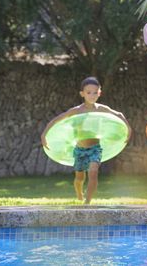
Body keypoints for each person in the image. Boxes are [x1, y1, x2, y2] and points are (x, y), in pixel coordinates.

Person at [40, 76, 132, 204]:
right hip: (80, 150)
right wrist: (44, 134)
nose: (92, 95)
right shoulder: (77, 111)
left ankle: (87, 202)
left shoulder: (101, 109)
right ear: (82, 94)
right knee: (79, 178)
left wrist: (128, 129)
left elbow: (119, 115)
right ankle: (79, 193)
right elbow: (58, 119)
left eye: (95, 92)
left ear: (99, 93)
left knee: (93, 173)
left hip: (95, 148)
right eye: (88, 92)